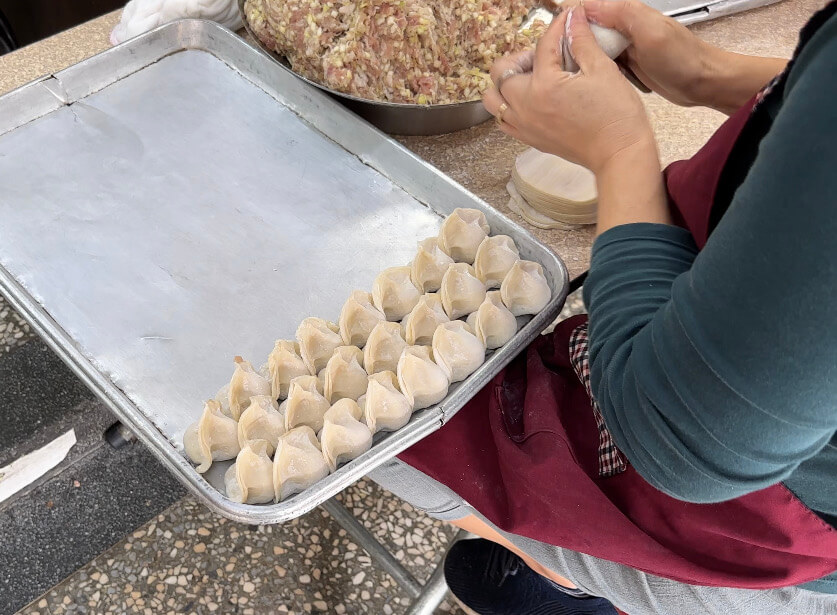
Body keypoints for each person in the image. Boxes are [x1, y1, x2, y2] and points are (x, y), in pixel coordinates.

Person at [368, 1, 837, 613]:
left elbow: (687, 441)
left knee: (388, 428)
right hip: (741, 375)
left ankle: (581, 584)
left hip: (731, 494)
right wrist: (705, 72)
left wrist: (619, 150)